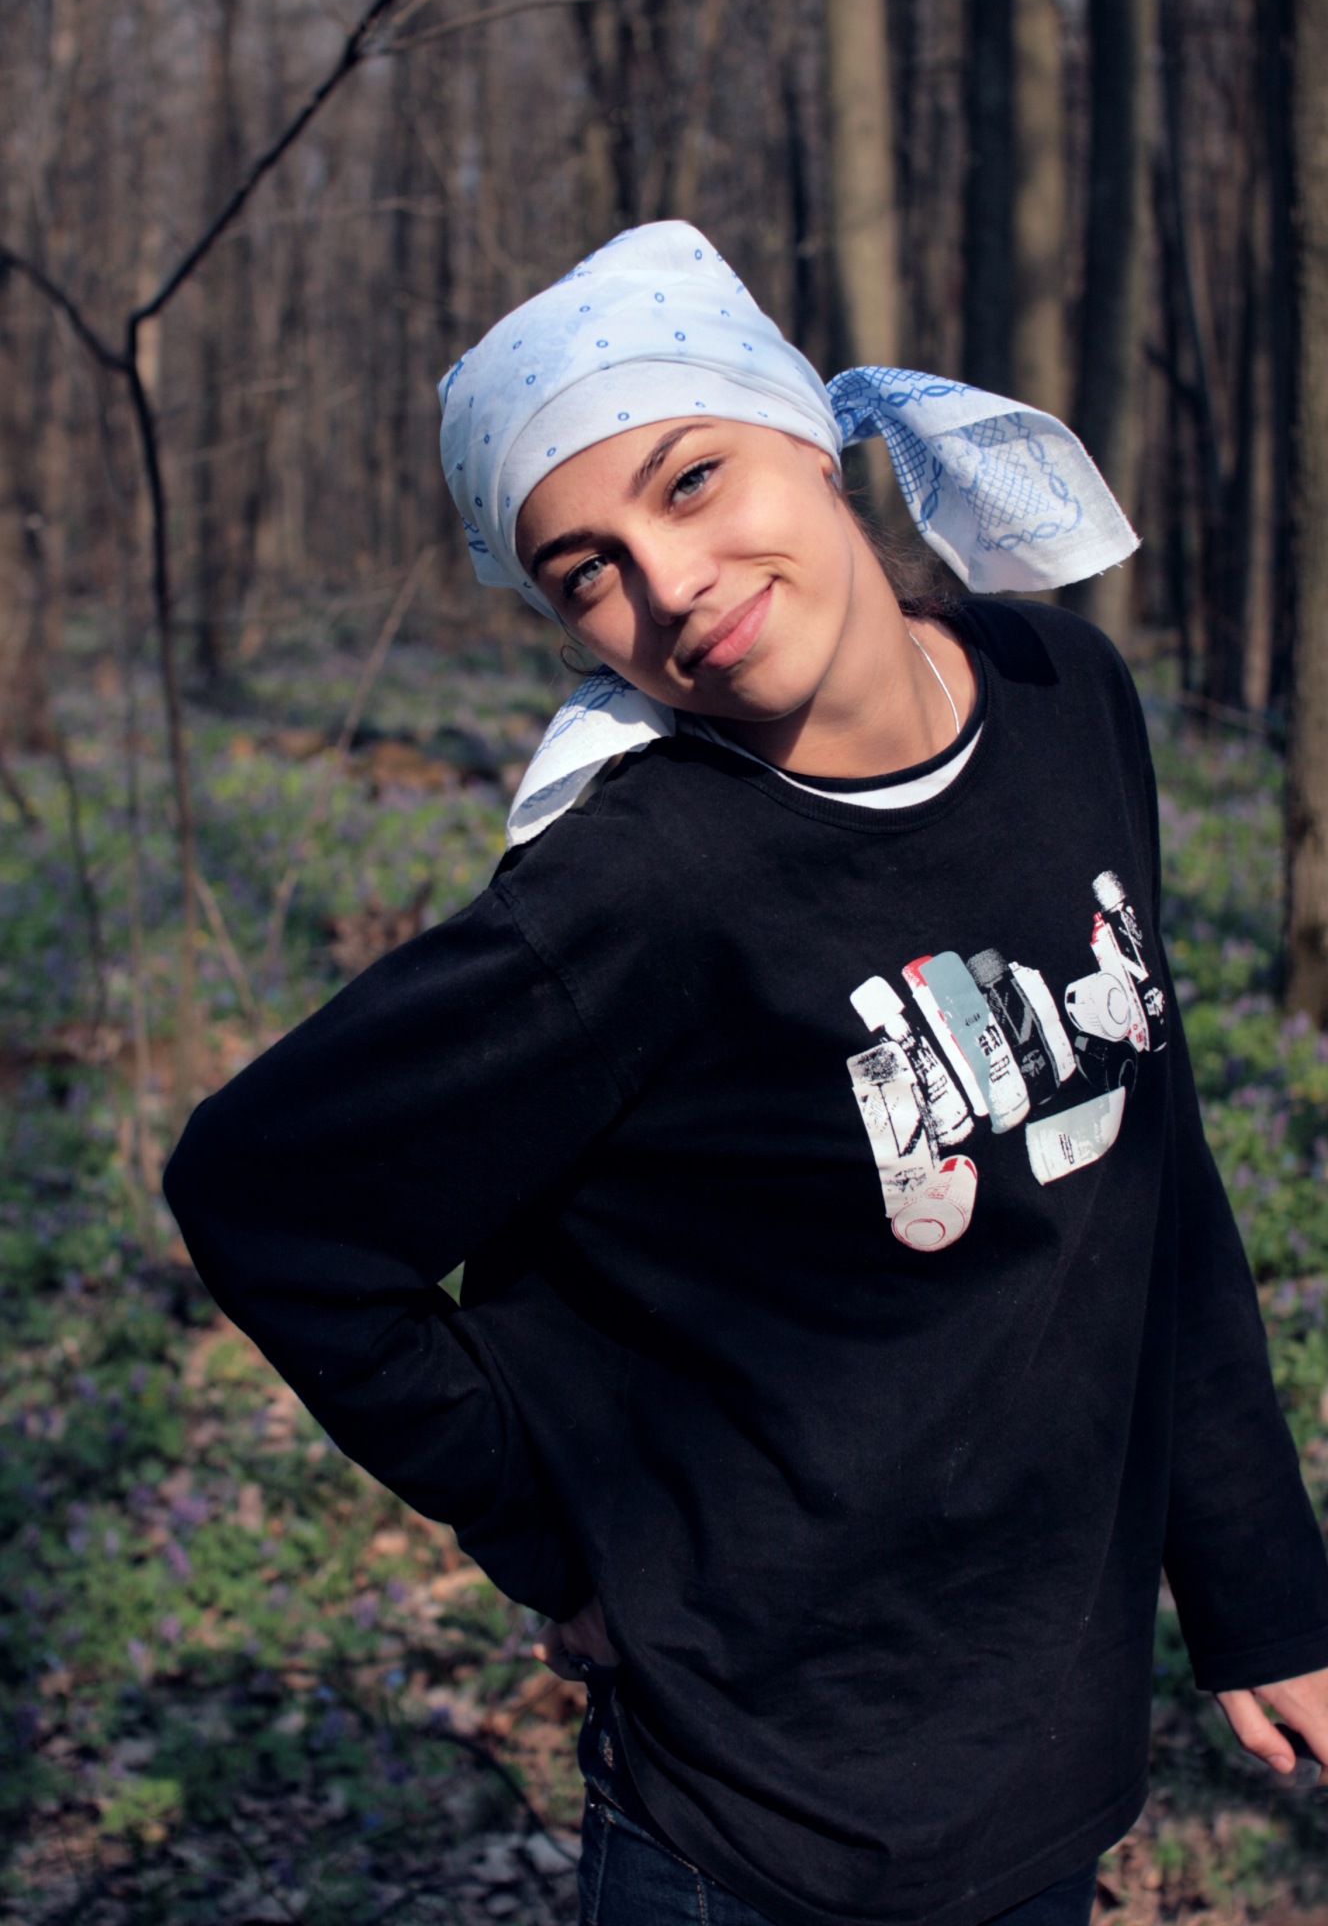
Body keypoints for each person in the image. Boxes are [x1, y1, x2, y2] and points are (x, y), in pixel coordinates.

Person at [165, 222, 1328, 1926]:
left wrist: (1261, 1588)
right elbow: (264, 1197)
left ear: (809, 431)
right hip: (753, 1817)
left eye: (692, 479)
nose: (670, 583)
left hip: (1050, 1754)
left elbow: (1151, 1174)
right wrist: (554, 1527)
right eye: (587, 571)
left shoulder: (1066, 695)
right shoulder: (638, 891)